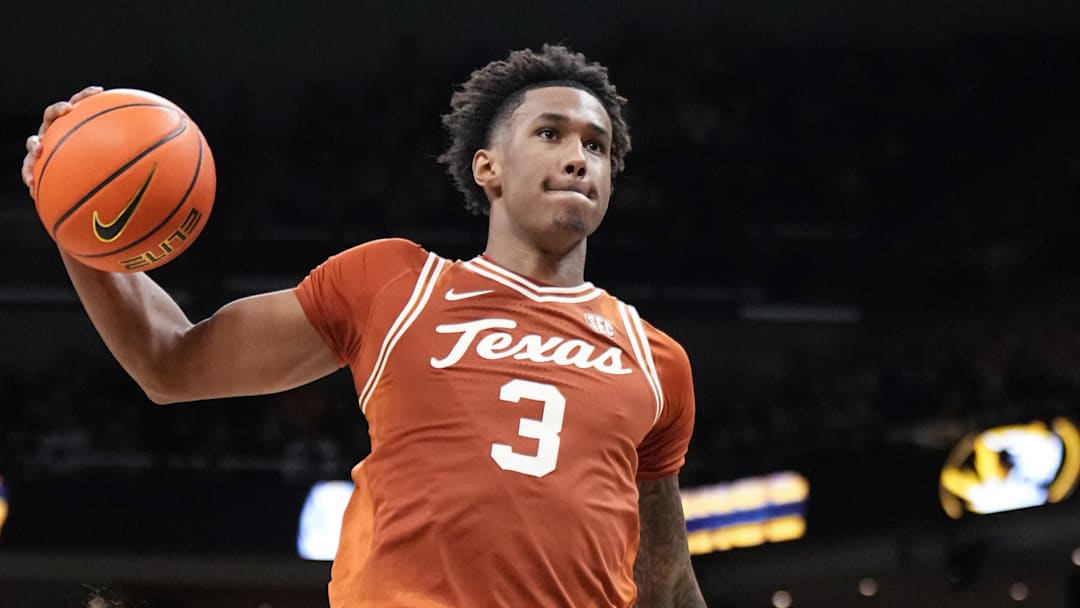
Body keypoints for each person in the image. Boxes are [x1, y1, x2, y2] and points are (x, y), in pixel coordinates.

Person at [21, 44, 706, 607]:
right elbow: (169, 361)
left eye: (598, 144)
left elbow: (666, 583)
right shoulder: (394, 284)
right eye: (550, 132)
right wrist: (72, 216)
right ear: (488, 167)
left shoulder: (657, 361)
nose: (579, 155)